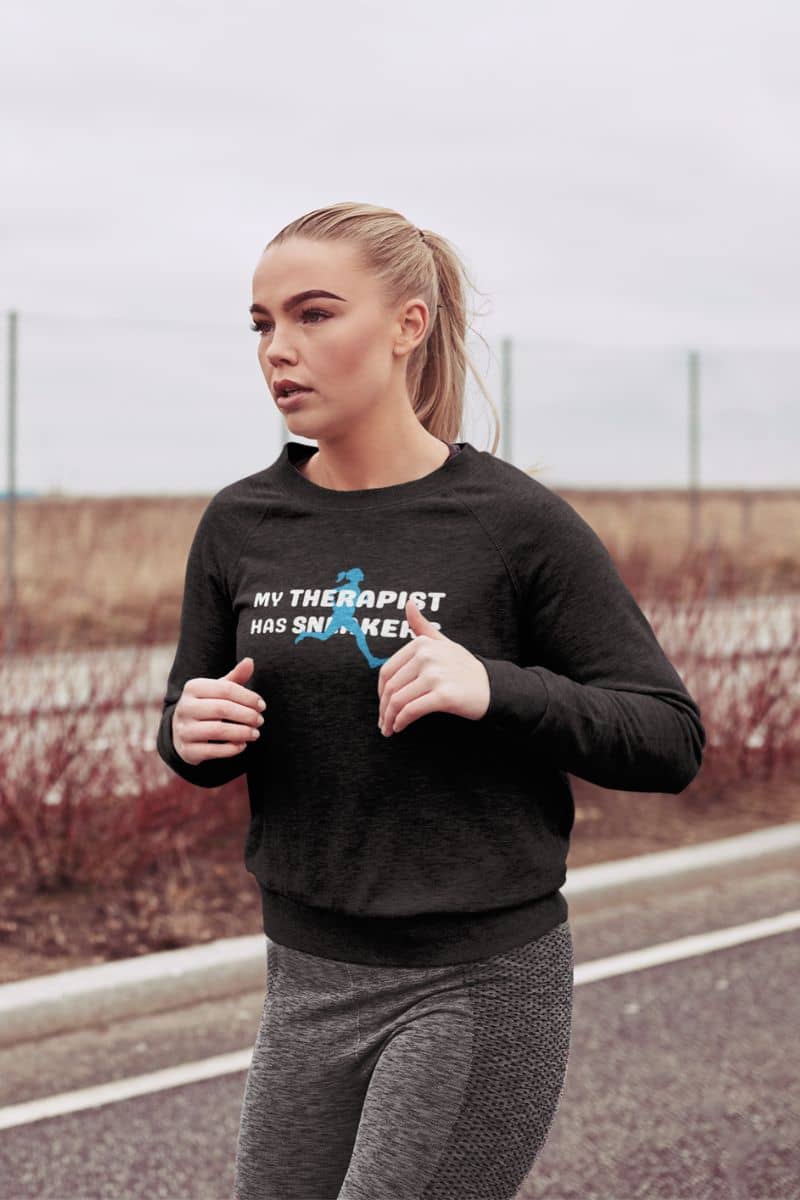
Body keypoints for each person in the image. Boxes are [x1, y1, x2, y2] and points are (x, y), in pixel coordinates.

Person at [155, 201, 706, 1200]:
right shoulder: (241, 522)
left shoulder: (510, 523)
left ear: (408, 325)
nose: (279, 349)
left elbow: (666, 736)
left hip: (472, 982)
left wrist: (492, 687)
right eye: (261, 324)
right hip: (304, 977)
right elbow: (191, 724)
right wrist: (193, 735)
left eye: (314, 314)